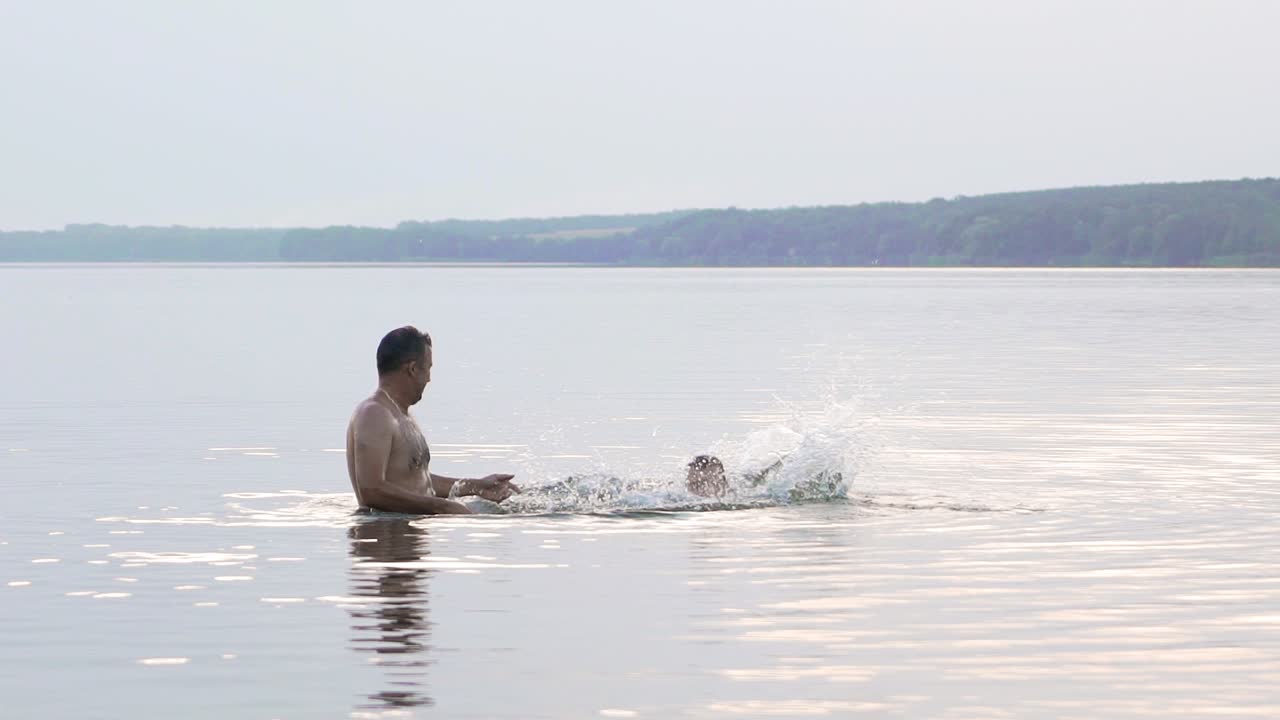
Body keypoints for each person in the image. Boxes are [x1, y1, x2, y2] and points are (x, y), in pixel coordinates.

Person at [346, 326, 519, 515]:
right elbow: (371, 491)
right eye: (428, 368)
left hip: (407, 536)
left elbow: (418, 481)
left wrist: (477, 487)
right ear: (412, 369)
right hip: (382, 539)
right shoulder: (374, 414)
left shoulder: (401, 416)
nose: (429, 379)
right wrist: (442, 506)